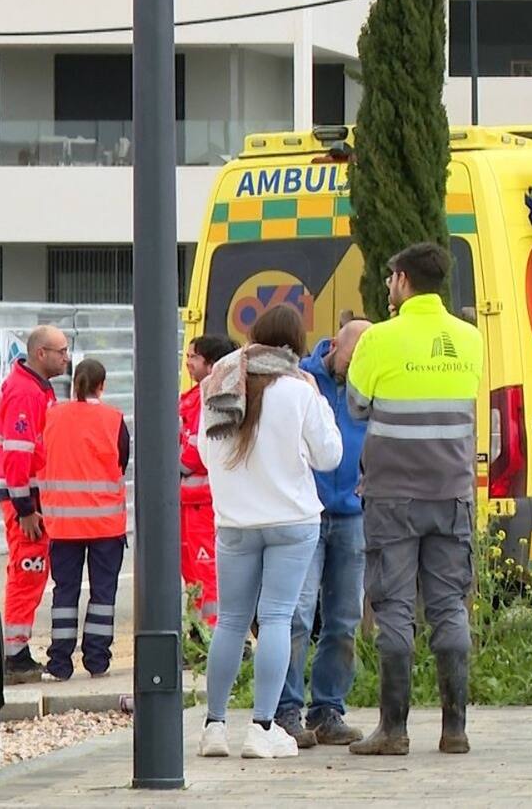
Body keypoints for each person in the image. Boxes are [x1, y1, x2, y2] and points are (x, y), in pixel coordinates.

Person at [345, 242, 483, 757]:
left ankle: (394, 729)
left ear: (402, 279)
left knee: (395, 610)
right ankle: (454, 729)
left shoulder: (379, 339)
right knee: (449, 608)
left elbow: (357, 407)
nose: (386, 287)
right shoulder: (469, 340)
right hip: (451, 494)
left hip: (392, 498)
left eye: (388, 279)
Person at [196, 304, 342, 761]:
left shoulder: (220, 381)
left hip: (235, 522)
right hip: (292, 520)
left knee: (233, 622)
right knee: (276, 618)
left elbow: (206, 453)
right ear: (296, 344)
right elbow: (330, 456)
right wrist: (317, 399)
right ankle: (262, 727)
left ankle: (214, 727)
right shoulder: (299, 390)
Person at [275, 317, 372, 748]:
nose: (355, 367)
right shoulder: (301, 381)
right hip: (306, 512)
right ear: (333, 345)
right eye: (351, 357)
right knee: (296, 614)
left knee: (344, 618)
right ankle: (286, 711)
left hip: (353, 513)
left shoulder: (369, 384)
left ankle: (328, 709)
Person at [39, 359, 130, 681]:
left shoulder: (52, 416)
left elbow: (41, 457)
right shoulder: (114, 419)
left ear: (73, 382)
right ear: (102, 386)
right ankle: (97, 661)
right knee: (103, 594)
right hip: (105, 524)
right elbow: (122, 462)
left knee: (65, 593)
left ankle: (60, 663)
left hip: (62, 523)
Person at [0, 325, 71, 684]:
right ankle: (15, 655)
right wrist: (25, 509)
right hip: (26, 501)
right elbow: (17, 455)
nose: (66, 358)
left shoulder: (37, 387)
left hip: (33, 498)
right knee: (27, 570)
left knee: (31, 571)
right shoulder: (26, 392)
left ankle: (17, 651)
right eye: (62, 351)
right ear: (42, 353)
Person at [179, 334, 238, 626]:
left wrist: (172, 466)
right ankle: (198, 632)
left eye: (193, 357)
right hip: (190, 502)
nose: (188, 363)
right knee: (192, 573)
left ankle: (213, 634)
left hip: (203, 502)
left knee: (206, 571)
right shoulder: (193, 397)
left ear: (212, 364)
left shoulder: (211, 397)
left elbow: (194, 450)